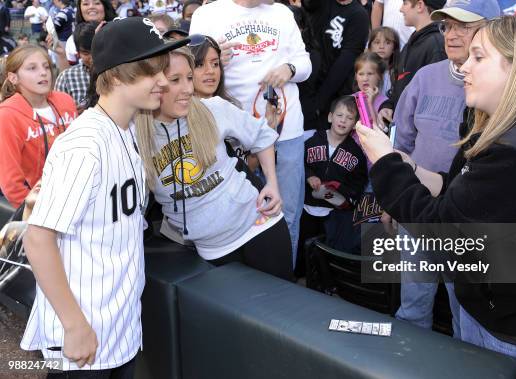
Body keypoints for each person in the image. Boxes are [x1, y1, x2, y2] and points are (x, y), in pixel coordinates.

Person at [356, 14, 516, 374]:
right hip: (496, 311)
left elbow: (445, 234)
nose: (464, 68)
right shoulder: (505, 131)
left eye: (479, 57)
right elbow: (461, 193)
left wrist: (385, 167)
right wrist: (406, 163)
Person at [20, 17, 189, 375]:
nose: (162, 80)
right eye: (150, 70)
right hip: (83, 329)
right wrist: (73, 325)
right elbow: (38, 239)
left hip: (117, 324)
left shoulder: (123, 130)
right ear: (113, 76)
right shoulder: (85, 144)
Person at [134, 45, 294, 281]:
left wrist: (272, 183)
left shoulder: (212, 108)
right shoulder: (135, 134)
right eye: (175, 80)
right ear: (153, 84)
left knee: (285, 312)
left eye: (189, 78)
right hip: (211, 250)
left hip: (260, 227)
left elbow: (262, 135)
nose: (188, 88)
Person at [391, 0, 500, 340]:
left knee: (466, 318)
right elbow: (401, 141)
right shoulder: (425, 77)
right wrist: (391, 198)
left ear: (491, 33)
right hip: (418, 212)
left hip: (466, 224)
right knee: (412, 307)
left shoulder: (500, 92)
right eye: (447, 26)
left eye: (463, 27)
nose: (451, 35)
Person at [190, 0, 312, 268]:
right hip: (234, 135)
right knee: (241, 218)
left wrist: (289, 69)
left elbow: (305, 63)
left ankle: (285, 287)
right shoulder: (208, 14)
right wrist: (213, 60)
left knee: (288, 212)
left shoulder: (281, 13)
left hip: (285, 129)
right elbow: (191, 70)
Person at [0, 45, 77, 209]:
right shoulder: (7, 115)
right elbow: (11, 183)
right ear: (13, 78)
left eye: (46, 66)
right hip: (41, 209)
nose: (43, 72)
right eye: (32, 68)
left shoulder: (65, 101)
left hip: (77, 197)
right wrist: (36, 211)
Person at [299, 95, 367, 269]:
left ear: (354, 124)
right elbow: (298, 163)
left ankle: (325, 283)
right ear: (330, 117)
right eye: (340, 115)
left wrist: (340, 190)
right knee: (303, 250)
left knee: (326, 255)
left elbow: (358, 185)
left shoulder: (356, 153)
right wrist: (309, 175)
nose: (343, 120)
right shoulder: (313, 140)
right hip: (307, 207)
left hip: (333, 213)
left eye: (349, 118)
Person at [302, 0, 369, 129]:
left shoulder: (359, 14)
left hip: (332, 95)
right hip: (307, 85)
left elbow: (345, 63)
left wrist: (319, 103)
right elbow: (308, 4)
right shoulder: (323, 4)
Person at [378, 0, 446, 123]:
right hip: (402, 131)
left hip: (415, 136)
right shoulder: (413, 42)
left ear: (420, 6)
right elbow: (401, 86)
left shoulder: (436, 46)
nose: (401, 9)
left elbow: (434, 101)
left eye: (405, 3)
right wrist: (389, 105)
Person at [55, 21, 97, 111]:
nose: (92, 58)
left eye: (96, 50)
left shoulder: (117, 74)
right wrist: (73, 114)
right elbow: (59, 114)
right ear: (78, 53)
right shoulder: (67, 78)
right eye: (86, 53)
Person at [65, 0, 116, 65]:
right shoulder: (71, 41)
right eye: (86, 4)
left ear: (105, 6)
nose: (91, 7)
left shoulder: (119, 30)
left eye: (97, 3)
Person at [368, 26, 399, 98]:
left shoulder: (398, 73)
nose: (381, 46)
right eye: (377, 42)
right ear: (370, 47)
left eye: (387, 43)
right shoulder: (363, 70)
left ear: (394, 48)